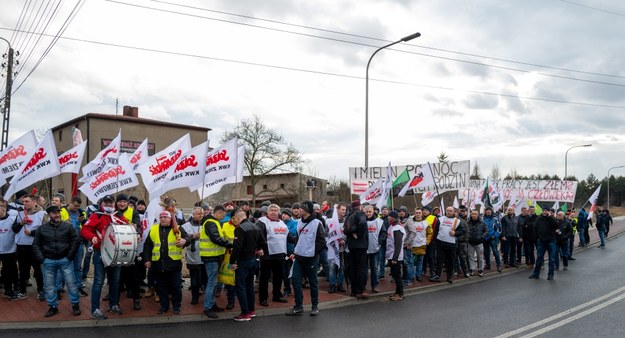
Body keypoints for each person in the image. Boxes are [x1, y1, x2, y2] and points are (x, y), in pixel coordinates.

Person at [80, 194, 129, 320]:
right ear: (102, 204)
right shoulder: (97, 215)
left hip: (115, 253)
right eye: (106, 203)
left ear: (114, 204)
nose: (109, 206)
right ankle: (95, 309)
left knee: (115, 281)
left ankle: (113, 304)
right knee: (98, 282)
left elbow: (127, 228)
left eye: (111, 203)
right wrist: (92, 237)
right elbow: (85, 230)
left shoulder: (118, 216)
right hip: (100, 252)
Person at [32, 205, 81, 317]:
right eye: (54, 213)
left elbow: (75, 240)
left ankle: (75, 305)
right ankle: (53, 306)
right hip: (48, 261)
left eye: (58, 212)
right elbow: (36, 244)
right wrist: (42, 259)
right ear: (49, 215)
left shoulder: (67, 226)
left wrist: (69, 256)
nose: (57, 215)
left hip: (65, 259)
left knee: (71, 284)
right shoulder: (42, 228)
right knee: (49, 286)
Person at [143, 211, 188, 315]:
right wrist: (147, 259)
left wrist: (184, 241)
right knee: (160, 287)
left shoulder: (178, 228)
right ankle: (164, 306)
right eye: (161, 217)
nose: (163, 219)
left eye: (165, 217)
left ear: (170, 219)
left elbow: (187, 238)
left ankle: (176, 306)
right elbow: (148, 245)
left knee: (176, 287)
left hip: (173, 265)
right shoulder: (154, 229)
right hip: (158, 264)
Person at [285, 201, 325, 316]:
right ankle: (298, 306)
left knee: (313, 283)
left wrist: (312, 253)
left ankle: (314, 306)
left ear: (306, 210)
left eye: (301, 209)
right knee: (296, 281)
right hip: (299, 258)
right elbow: (298, 239)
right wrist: (295, 251)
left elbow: (321, 242)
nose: (298, 210)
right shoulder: (298, 223)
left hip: (311, 258)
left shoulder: (317, 223)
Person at [230, 209, 265, 321]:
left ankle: (245, 313)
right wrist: (259, 249)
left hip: (243, 261)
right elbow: (262, 242)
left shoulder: (240, 229)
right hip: (253, 260)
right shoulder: (256, 226)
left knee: (240, 287)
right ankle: (251, 310)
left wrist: (232, 262)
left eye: (235, 218)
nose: (235, 220)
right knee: (249, 286)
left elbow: (237, 247)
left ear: (239, 218)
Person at [12, 194, 47, 301]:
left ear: (33, 202)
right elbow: (14, 229)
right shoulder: (20, 214)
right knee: (23, 270)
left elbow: (45, 230)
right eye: (23, 202)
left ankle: (41, 291)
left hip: (34, 246)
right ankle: (22, 291)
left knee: (38, 270)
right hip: (21, 246)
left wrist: (32, 233)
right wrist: (21, 223)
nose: (24, 203)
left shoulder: (42, 214)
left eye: (27, 201)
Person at [201, 205, 232, 319]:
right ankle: (208, 307)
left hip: (215, 256)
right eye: (223, 215)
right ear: (218, 213)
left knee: (213, 282)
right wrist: (229, 244)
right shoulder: (211, 223)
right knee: (212, 282)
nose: (223, 218)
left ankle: (212, 304)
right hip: (211, 257)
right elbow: (215, 238)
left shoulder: (213, 222)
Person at [256, 204, 289, 307]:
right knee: (264, 277)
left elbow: (288, 236)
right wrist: (259, 248)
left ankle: (277, 295)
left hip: (280, 253)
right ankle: (263, 298)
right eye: (272, 210)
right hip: (267, 254)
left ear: (278, 212)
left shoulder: (282, 223)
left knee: (278, 276)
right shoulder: (262, 222)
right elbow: (257, 237)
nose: (274, 212)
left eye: (276, 210)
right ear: (268, 212)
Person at [429, 207, 465, 283]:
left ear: (453, 212)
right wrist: (435, 241)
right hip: (440, 243)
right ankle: (437, 275)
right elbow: (436, 231)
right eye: (447, 210)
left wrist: (455, 233)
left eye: (450, 211)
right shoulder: (440, 219)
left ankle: (449, 277)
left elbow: (462, 231)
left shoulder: (457, 221)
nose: (449, 212)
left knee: (451, 261)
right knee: (439, 260)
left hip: (451, 244)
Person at [343, 200, 369, 299]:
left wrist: (351, 233)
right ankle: (360, 290)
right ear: (359, 206)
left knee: (353, 267)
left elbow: (345, 230)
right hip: (361, 245)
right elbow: (362, 223)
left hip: (351, 245)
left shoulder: (349, 215)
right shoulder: (360, 214)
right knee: (361, 268)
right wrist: (359, 234)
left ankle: (354, 290)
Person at [181, 207, 205, 305]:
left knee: (204, 279)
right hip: (193, 257)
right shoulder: (185, 226)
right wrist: (192, 236)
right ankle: (194, 297)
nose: (200, 215)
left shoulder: (206, 224)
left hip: (205, 256)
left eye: (202, 213)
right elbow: (184, 240)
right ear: (193, 214)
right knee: (194, 280)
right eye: (198, 213)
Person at [529, 205, 559, 280]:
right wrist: (537, 238)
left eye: (546, 210)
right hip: (541, 241)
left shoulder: (552, 218)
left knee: (551, 258)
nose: (545, 212)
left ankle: (550, 275)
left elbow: (556, 225)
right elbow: (535, 228)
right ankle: (536, 274)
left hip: (551, 241)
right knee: (539, 258)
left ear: (549, 211)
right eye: (544, 210)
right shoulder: (539, 219)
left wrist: (550, 217)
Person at [0, 198, 19, 299]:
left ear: (4, 209)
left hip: (10, 250)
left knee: (9, 271)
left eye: (2, 208)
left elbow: (17, 229)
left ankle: (8, 289)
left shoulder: (12, 219)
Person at [364, 205, 384, 293]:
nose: (368, 213)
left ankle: (374, 285)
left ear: (373, 212)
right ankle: (363, 286)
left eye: (370, 212)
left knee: (374, 268)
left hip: (375, 248)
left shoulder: (379, 222)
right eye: (366, 212)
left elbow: (383, 233)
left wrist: (379, 242)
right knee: (364, 269)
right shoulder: (362, 221)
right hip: (364, 249)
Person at [386, 210, 406, 301]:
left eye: (389, 216)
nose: (388, 218)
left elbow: (398, 244)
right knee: (394, 275)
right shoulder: (391, 227)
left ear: (393, 217)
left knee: (397, 275)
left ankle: (400, 293)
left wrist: (395, 258)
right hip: (391, 255)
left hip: (396, 256)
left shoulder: (397, 228)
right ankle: (397, 292)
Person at [281, 208, 298, 297]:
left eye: (285, 214)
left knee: (294, 272)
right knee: (285, 272)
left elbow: (294, 232)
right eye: (282, 214)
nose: (283, 215)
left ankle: (296, 289)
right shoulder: (280, 223)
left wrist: (283, 230)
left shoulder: (295, 223)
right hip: (284, 251)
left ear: (289, 215)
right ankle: (287, 289)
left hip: (293, 251)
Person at [466, 209, 488, 276]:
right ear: (471, 214)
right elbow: (466, 231)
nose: (474, 215)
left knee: (480, 257)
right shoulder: (468, 223)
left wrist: (482, 237)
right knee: (470, 257)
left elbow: (486, 231)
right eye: (473, 214)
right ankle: (471, 269)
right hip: (470, 243)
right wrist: (468, 238)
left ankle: (480, 269)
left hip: (479, 243)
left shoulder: (482, 223)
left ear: (478, 215)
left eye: (475, 214)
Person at [482, 206, 502, 273]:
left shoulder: (495, 218)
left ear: (491, 211)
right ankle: (488, 265)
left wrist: (495, 235)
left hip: (493, 238)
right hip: (485, 238)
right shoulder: (482, 219)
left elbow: (499, 228)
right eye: (487, 211)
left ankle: (498, 265)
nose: (488, 212)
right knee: (486, 252)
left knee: (495, 251)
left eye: (489, 211)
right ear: (485, 212)